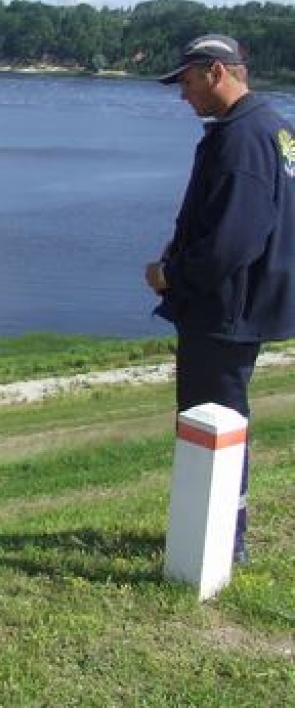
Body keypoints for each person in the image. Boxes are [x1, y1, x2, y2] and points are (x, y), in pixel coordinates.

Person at [144, 33, 295, 564]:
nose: (183, 95)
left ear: (215, 72)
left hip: (224, 311)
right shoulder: (272, 127)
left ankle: (219, 545)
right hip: (242, 307)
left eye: (186, 81)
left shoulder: (242, 137)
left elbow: (236, 240)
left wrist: (171, 274)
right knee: (224, 422)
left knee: (211, 421)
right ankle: (221, 535)